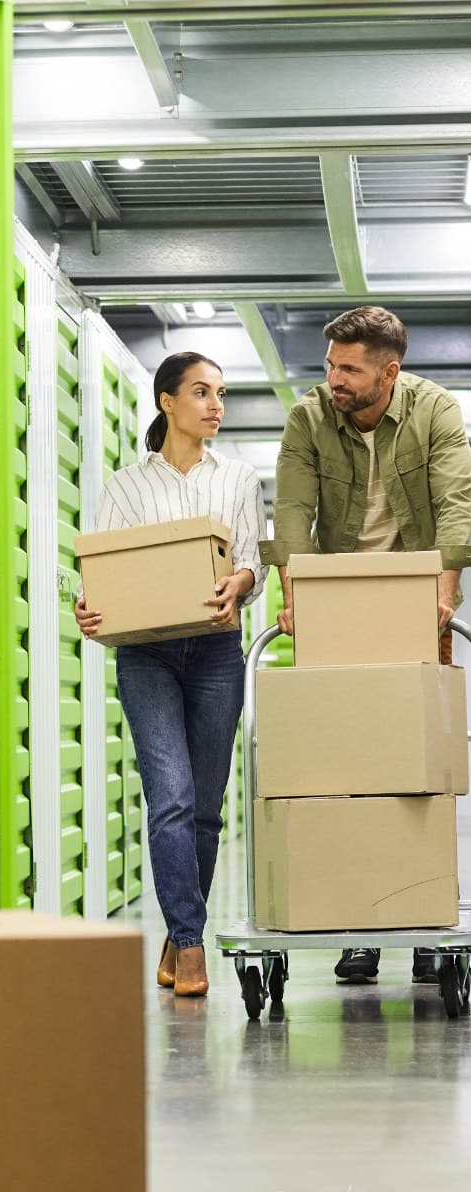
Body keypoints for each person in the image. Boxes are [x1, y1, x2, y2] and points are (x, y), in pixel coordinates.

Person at [264, 305, 471, 985]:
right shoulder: (310, 417)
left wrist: (445, 590)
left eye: (349, 369)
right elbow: (292, 510)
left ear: (390, 370)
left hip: (415, 596)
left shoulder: (435, 410)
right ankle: (361, 926)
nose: (334, 380)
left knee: (421, 777)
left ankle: (421, 921)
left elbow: (455, 500)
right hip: (339, 600)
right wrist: (295, 596)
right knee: (347, 775)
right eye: (330, 366)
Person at [75, 352, 267, 997]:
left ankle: (175, 929)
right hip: (149, 656)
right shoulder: (127, 486)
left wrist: (240, 582)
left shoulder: (238, 477)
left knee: (206, 813)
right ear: (167, 402)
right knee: (173, 801)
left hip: (215, 651)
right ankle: (190, 946)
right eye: (201, 392)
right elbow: (106, 573)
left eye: (221, 393)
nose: (216, 404)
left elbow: (251, 563)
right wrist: (88, 606)